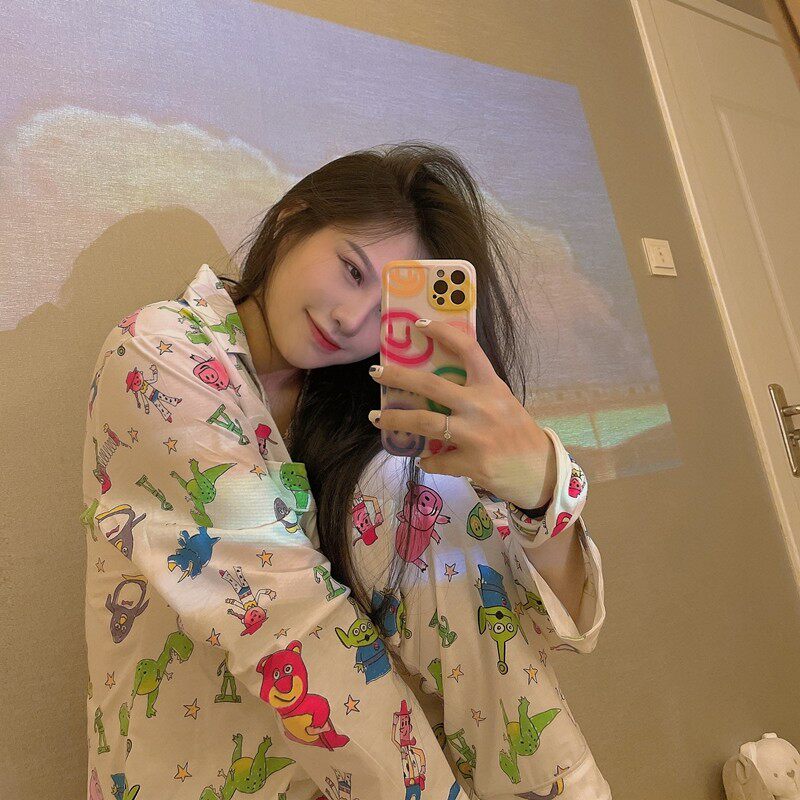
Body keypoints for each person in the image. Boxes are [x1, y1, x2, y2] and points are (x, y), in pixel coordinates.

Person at [81, 141, 610, 800]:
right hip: (197, 771)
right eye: (353, 271)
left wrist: (542, 488)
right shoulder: (158, 353)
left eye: (390, 311)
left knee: (426, 499)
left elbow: (508, 635)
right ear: (291, 219)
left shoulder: (372, 435)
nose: (353, 320)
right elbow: (286, 627)